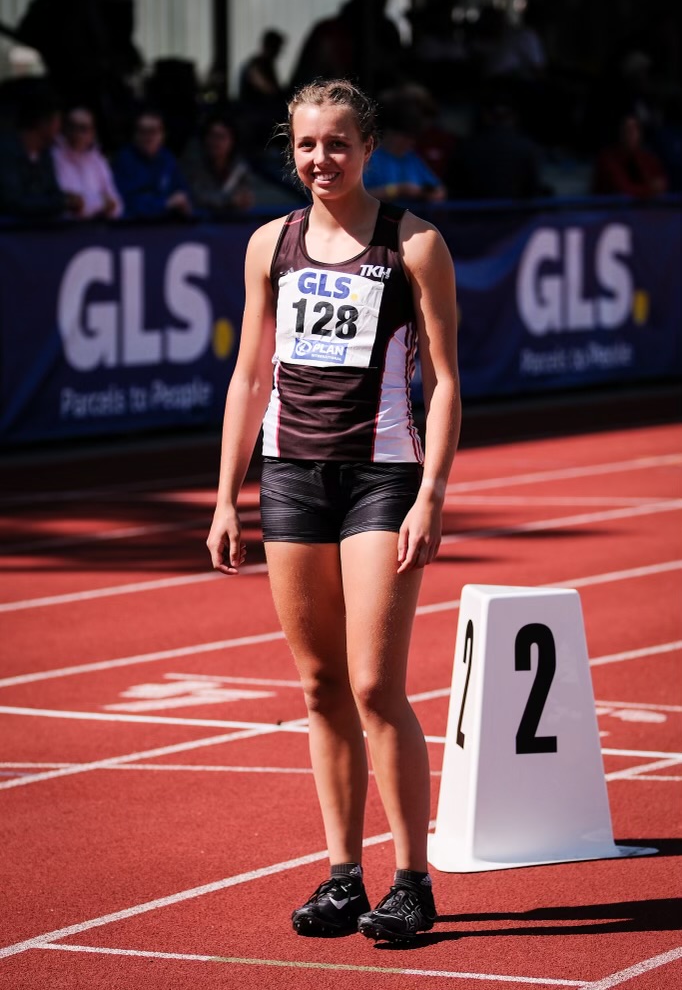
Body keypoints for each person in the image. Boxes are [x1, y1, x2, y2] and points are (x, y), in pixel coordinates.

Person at [206, 78, 460, 943]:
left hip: (383, 475)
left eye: (340, 143)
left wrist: (432, 493)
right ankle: (344, 876)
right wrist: (226, 496)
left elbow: (446, 381)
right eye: (309, 144)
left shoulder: (414, 244)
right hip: (290, 476)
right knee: (319, 687)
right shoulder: (269, 244)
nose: (323, 159)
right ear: (292, 149)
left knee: (374, 684)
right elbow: (250, 375)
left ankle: (413, 881)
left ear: (368, 147)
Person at [0, 80, 83, 221]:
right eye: (57, 121)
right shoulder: (6, 153)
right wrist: (62, 202)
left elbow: (52, 192)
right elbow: (14, 202)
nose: (59, 128)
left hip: (42, 231)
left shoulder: (45, 155)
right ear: (43, 122)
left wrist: (66, 199)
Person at [112, 108, 192, 219]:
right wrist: (165, 203)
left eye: (153, 131)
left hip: (168, 224)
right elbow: (128, 202)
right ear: (135, 135)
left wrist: (184, 202)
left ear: (162, 135)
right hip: (135, 225)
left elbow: (182, 191)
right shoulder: (124, 160)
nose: (148, 137)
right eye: (143, 131)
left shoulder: (167, 158)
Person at [363, 100, 448, 204]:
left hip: (411, 213)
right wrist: (396, 190)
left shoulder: (411, 158)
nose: (409, 142)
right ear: (390, 133)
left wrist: (428, 193)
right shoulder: (370, 157)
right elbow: (358, 197)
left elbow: (439, 190)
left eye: (413, 138)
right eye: (405, 137)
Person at [52, 105, 123, 218]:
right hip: (67, 227)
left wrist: (90, 204)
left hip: (98, 225)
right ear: (65, 128)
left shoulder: (98, 160)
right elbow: (68, 204)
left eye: (83, 128)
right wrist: (101, 202)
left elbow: (117, 205)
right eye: (72, 127)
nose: (77, 133)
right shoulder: (54, 157)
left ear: (92, 132)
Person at [181, 113, 254, 216]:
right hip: (198, 222)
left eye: (221, 137)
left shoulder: (240, 168)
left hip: (232, 222)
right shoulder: (193, 166)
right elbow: (196, 197)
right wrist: (229, 201)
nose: (216, 142)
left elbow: (244, 197)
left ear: (232, 140)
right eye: (212, 136)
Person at [592, 113, 668, 198]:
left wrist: (654, 188)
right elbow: (624, 190)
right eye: (627, 129)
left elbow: (661, 183)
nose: (631, 133)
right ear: (619, 132)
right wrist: (651, 189)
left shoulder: (647, 158)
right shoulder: (607, 159)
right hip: (611, 206)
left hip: (645, 206)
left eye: (635, 129)